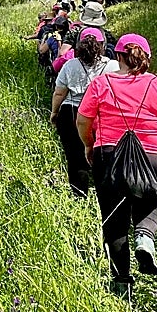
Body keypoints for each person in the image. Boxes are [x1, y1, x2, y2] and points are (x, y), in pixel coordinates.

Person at [76, 33, 157, 297]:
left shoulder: (101, 84)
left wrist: (88, 144)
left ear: (117, 57)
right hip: (156, 158)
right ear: (147, 59)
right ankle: (145, 238)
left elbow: (83, 121)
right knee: (150, 202)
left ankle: (121, 285)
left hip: (109, 157)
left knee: (115, 221)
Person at [49, 27, 116, 197]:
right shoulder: (112, 66)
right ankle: (105, 193)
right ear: (102, 45)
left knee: (75, 157)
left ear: (78, 45)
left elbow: (59, 92)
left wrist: (54, 113)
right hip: (101, 114)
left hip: (71, 112)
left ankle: (79, 194)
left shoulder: (70, 65)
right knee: (104, 155)